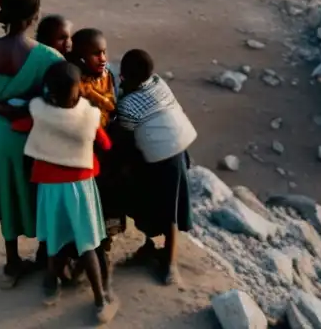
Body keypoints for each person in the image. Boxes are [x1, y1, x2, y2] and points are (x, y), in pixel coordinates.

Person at [11, 62, 119, 322]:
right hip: (81, 187)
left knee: (54, 239)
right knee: (88, 244)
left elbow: (18, 126)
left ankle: (50, 286)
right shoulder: (87, 117)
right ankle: (100, 301)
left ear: (49, 92)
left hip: (50, 188)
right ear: (78, 92)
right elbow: (105, 144)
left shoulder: (40, 115)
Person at [0, 0, 65, 289]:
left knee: (7, 193)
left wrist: (6, 110)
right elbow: (58, 103)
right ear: (34, 17)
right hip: (33, 135)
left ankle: (12, 263)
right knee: (39, 193)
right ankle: (43, 253)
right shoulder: (47, 57)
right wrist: (24, 111)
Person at [117, 50, 196, 286]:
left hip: (163, 160)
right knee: (167, 206)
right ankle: (152, 248)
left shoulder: (128, 105)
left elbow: (127, 140)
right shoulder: (159, 83)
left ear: (124, 76)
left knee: (166, 209)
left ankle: (170, 263)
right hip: (180, 151)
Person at [69, 29, 124, 248]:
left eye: (103, 52)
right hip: (83, 143)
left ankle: (107, 235)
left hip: (104, 138)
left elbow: (111, 104)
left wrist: (92, 94)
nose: (102, 58)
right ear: (81, 56)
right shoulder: (74, 79)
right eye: (95, 54)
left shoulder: (106, 75)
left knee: (108, 187)